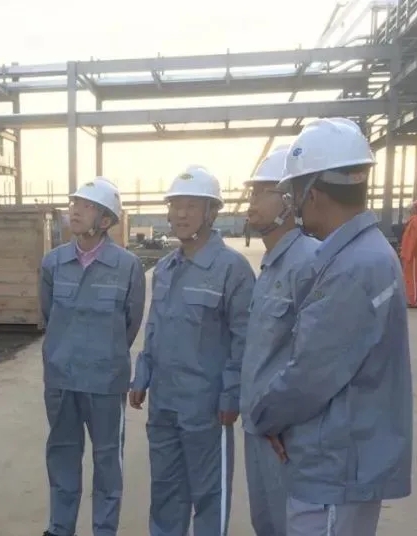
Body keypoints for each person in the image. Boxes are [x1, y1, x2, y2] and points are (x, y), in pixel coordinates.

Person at [245, 118, 413, 536]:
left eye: (295, 195)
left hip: (334, 466)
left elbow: (311, 373)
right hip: (341, 455)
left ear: (313, 194)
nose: (296, 206)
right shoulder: (363, 255)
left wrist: (265, 416)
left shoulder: (353, 268)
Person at [129, 166, 255, 536]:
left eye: (191, 206)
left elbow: (245, 338)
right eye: (175, 205)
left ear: (212, 212)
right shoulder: (166, 268)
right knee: (165, 490)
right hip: (164, 402)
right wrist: (143, 373)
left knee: (209, 493)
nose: (180, 214)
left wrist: (232, 393)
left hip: (207, 407)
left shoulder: (232, 269)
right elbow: (155, 326)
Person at [39, 178, 147, 536]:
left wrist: (106, 353)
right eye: (75, 204)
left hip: (105, 383)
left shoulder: (127, 266)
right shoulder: (54, 263)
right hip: (61, 381)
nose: (75, 211)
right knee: (62, 457)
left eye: (86, 206)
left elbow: (131, 323)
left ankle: (104, 529)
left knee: (107, 461)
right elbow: (48, 314)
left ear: (105, 220)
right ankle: (60, 528)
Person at [240, 144, 321, 536]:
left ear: (289, 201)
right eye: (252, 192)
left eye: (262, 192)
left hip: (286, 432)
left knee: (290, 523)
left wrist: (284, 417)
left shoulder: (309, 262)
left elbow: (315, 358)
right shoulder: (272, 265)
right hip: (260, 422)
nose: (252, 201)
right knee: (267, 523)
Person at [400, 198, 417, 308]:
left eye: (413, 206)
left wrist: (408, 254)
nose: (410, 208)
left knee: (413, 278)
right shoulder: (415, 220)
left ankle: (413, 301)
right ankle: (410, 299)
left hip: (412, 255)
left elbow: (413, 240)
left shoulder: (416, 221)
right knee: (409, 278)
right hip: (410, 254)